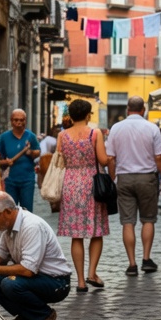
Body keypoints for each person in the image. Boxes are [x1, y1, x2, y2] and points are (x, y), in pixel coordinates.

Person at [0, 192, 72, 320]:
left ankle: (44, 315)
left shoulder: (31, 226)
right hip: (34, 278)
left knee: (10, 283)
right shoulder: (8, 229)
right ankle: (27, 314)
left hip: (56, 282)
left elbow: (27, 270)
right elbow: (0, 256)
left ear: (7, 212)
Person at [105, 96, 161, 275]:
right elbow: (159, 157)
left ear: (128, 109)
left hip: (124, 178)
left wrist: (113, 178)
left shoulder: (116, 129)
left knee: (128, 222)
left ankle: (132, 264)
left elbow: (110, 158)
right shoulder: (152, 128)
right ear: (143, 110)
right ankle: (146, 259)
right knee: (148, 219)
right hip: (147, 178)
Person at [56, 99, 110, 292]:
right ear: (88, 115)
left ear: (70, 116)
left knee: (76, 235)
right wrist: (112, 157)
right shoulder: (95, 133)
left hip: (70, 184)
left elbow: (60, 159)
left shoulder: (62, 135)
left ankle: (79, 281)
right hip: (91, 183)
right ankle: (92, 273)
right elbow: (102, 159)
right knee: (96, 231)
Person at [0, 109, 40, 211]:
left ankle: (26, 227)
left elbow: (38, 152)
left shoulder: (31, 136)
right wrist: (5, 162)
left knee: (27, 210)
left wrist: (30, 153)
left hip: (27, 180)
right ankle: (13, 228)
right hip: (10, 180)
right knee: (11, 210)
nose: (19, 123)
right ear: (11, 121)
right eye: (16, 120)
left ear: (25, 121)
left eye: (22, 120)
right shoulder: (4, 138)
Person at [37, 123, 61, 212]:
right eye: (56, 131)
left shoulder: (57, 139)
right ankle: (53, 204)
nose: (58, 133)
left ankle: (55, 204)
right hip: (47, 165)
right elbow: (43, 154)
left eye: (59, 131)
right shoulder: (49, 140)